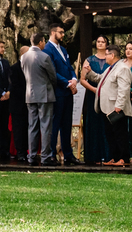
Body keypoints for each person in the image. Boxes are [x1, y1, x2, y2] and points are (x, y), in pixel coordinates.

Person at [44, 22, 80, 165]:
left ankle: (68, 153)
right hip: (57, 92)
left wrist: (74, 80)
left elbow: (69, 67)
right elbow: (52, 72)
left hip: (68, 92)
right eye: (61, 32)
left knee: (67, 124)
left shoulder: (63, 50)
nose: (63, 35)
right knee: (55, 123)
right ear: (53, 33)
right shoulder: (47, 50)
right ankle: (52, 153)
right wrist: (67, 83)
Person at [22, 33, 56, 165]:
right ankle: (45, 156)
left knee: (32, 126)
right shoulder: (44, 56)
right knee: (46, 126)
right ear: (41, 42)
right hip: (45, 94)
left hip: (30, 95)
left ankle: (31, 155)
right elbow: (52, 76)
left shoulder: (24, 57)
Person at [97, 44, 132, 166]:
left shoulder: (122, 68)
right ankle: (115, 157)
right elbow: (100, 79)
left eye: (106, 54)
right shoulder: (110, 68)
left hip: (116, 108)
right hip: (106, 107)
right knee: (110, 134)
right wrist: (89, 73)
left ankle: (124, 158)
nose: (105, 57)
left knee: (120, 133)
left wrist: (119, 105)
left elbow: (124, 88)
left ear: (112, 55)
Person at [80, 34, 111, 164]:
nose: (100, 44)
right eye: (98, 41)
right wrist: (93, 90)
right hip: (93, 96)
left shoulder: (111, 60)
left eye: (103, 42)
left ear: (106, 44)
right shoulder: (89, 60)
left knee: (107, 125)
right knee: (93, 125)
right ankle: (94, 156)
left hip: (109, 96)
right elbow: (82, 79)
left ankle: (108, 155)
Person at [9, 45, 29, 162]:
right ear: (23, 54)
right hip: (17, 104)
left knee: (27, 128)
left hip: (29, 104)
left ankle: (27, 151)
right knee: (18, 129)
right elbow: (15, 86)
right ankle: (20, 152)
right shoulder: (14, 68)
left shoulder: (31, 67)